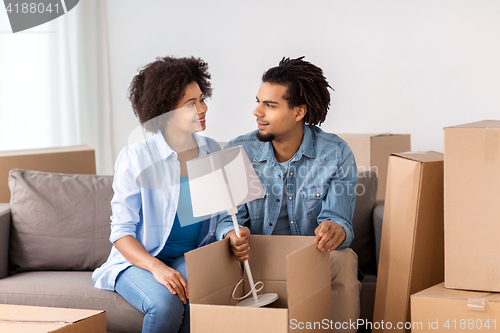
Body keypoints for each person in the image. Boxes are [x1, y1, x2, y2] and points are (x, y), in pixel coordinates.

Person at [216, 56, 361, 332]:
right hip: (255, 261)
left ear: (298, 112)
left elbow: (340, 223)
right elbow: (228, 221)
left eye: (270, 105)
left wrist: (336, 230)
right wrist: (230, 236)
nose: (257, 112)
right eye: (258, 101)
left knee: (344, 258)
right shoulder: (238, 152)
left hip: (310, 260)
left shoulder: (336, 154)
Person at [93, 56, 220, 333]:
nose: (203, 108)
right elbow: (121, 232)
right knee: (165, 303)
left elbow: (221, 218)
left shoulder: (213, 151)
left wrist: (231, 235)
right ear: (164, 112)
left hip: (188, 257)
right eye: (191, 104)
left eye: (202, 99)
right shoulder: (136, 157)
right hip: (138, 261)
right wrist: (156, 268)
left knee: (195, 294)